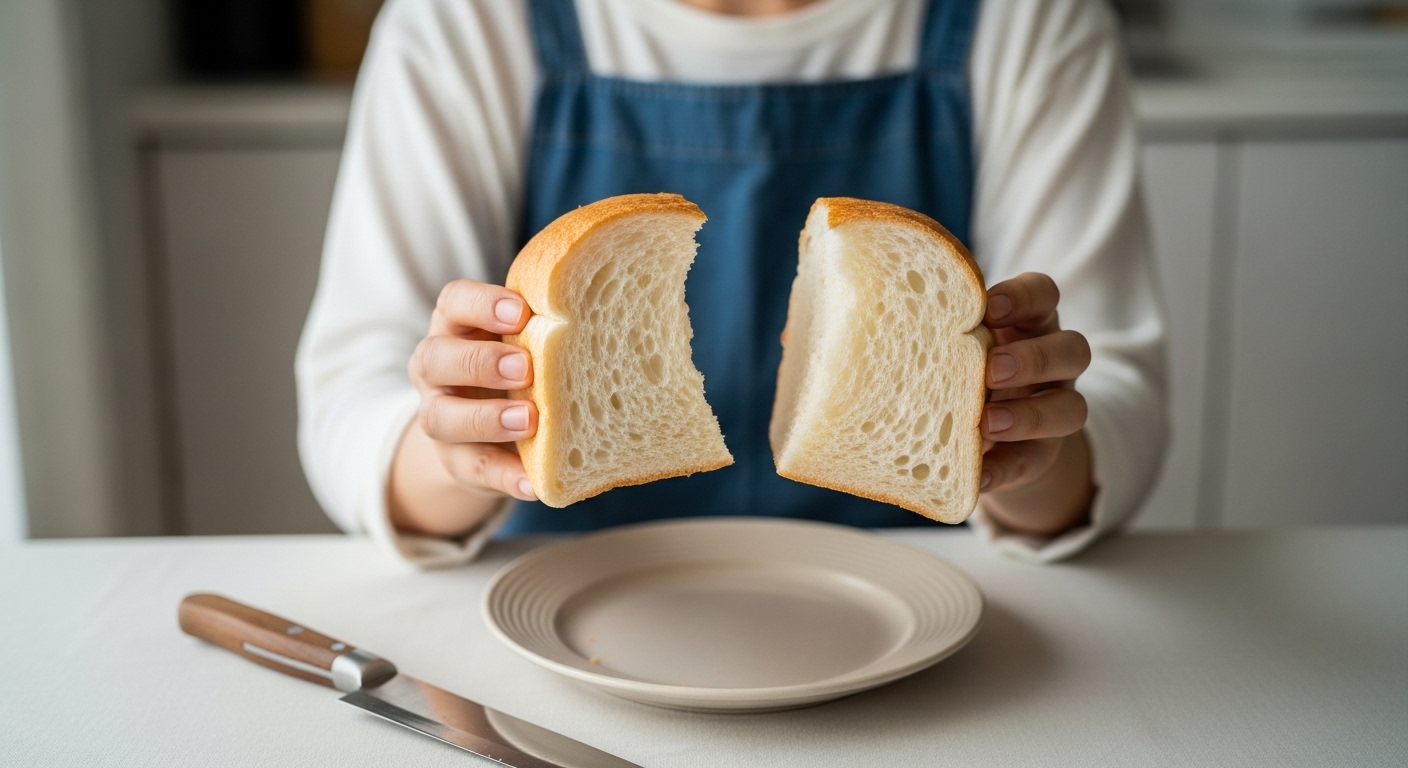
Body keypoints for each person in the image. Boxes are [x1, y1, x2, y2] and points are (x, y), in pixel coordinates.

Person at [296, 0, 1167, 567]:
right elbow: (353, 403)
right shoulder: (466, 21)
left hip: (933, 618)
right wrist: (455, 443)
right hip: (549, 622)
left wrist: (1031, 450)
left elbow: (1117, 401)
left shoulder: (1030, 18)